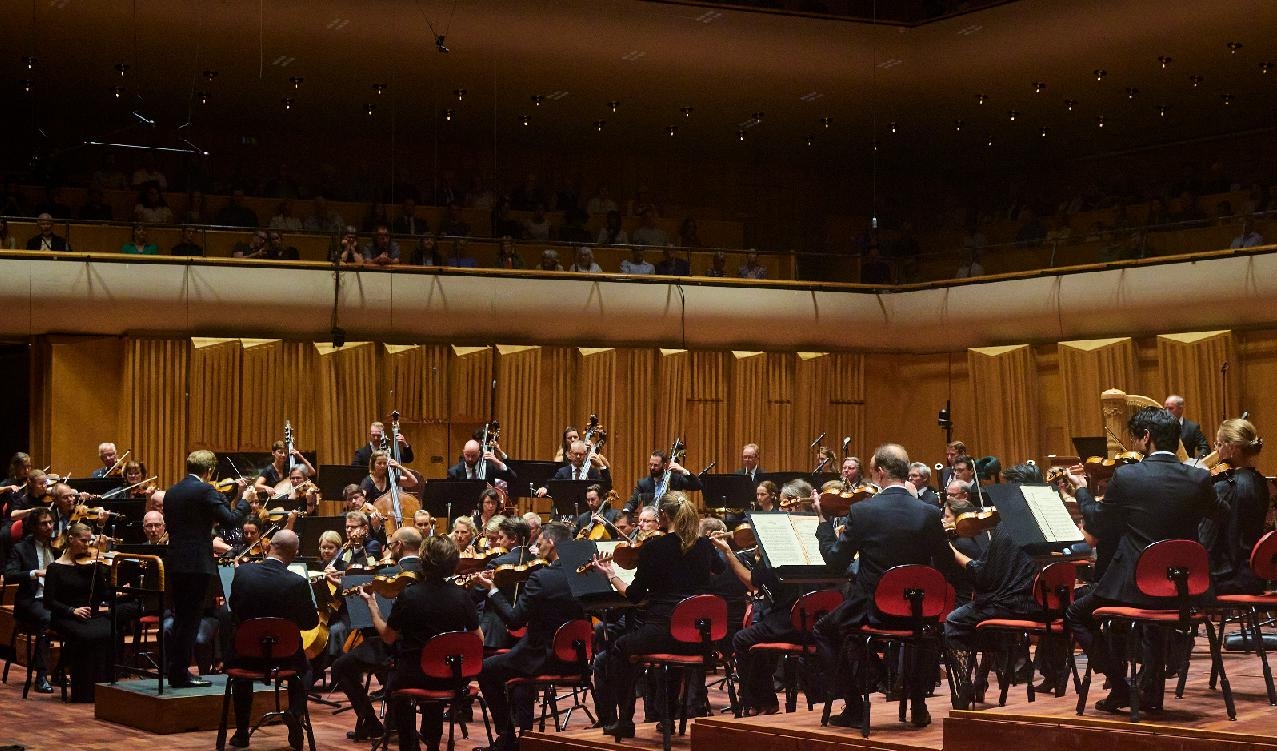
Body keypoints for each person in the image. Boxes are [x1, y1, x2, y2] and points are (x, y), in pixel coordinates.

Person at [1063, 406, 1224, 713]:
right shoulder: (1198, 479)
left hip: (1136, 586)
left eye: (1136, 439)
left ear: (1147, 438)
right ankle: (1149, 690)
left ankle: (1121, 687)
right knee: (1153, 621)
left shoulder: (1127, 476)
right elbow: (1219, 515)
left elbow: (1097, 525)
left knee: (1076, 614)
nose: (1136, 446)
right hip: (1185, 589)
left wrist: (1083, 492)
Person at [811, 444, 950, 728]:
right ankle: (918, 704)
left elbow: (836, 562)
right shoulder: (929, 513)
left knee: (823, 630)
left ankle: (854, 703)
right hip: (918, 608)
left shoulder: (863, 511)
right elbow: (945, 563)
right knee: (917, 634)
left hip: (874, 609)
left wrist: (823, 523)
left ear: (880, 473)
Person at [590, 494, 724, 736]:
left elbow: (634, 596)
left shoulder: (655, 548)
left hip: (662, 631)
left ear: (663, 516)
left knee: (619, 649)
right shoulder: (703, 545)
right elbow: (720, 569)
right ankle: (668, 717)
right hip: (697, 636)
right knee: (672, 659)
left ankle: (626, 721)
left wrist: (610, 574)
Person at [472, 521, 584, 751]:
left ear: (552, 544)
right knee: (517, 674)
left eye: (540, 543)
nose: (536, 548)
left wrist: (491, 589)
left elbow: (515, 620)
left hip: (540, 659)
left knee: (485, 669)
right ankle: (523, 735)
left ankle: (506, 735)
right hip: (575, 659)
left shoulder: (541, 578)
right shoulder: (582, 574)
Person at [361, 533, 478, 751]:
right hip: (451, 676)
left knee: (398, 687)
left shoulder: (409, 595)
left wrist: (372, 607)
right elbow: (477, 639)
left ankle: (409, 744)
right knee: (435, 672)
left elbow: (388, 637)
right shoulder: (462, 596)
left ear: (424, 561)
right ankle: (432, 743)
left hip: (414, 675)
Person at [225, 529, 319, 750]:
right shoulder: (296, 583)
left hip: (245, 656)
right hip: (285, 657)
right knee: (305, 669)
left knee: (241, 678)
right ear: (294, 553)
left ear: (269, 547)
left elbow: (235, 611)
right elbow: (309, 623)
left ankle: (241, 733)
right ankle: (295, 712)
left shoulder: (243, 573)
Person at [333, 526, 425, 741]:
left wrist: (368, 600)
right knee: (379, 657)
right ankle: (392, 717)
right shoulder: (431, 574)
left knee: (341, 666)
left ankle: (370, 721)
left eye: (391, 545)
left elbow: (383, 630)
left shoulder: (387, 575)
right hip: (427, 650)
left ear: (399, 546)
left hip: (396, 646)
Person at [163, 450, 245, 688]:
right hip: (197, 564)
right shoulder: (205, 490)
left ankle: (176, 670)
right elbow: (230, 519)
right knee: (190, 620)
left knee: (181, 619)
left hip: (176, 562)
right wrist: (245, 499)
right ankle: (180, 674)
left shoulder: (172, 492)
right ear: (209, 471)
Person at [44, 522, 138, 701]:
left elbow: (104, 593)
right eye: (83, 541)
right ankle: (84, 691)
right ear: (71, 539)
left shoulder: (91, 567)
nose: (87, 546)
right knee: (87, 636)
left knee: (112, 631)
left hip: (90, 616)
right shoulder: (55, 568)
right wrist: (72, 610)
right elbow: (49, 602)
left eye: (89, 541)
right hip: (64, 617)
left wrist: (120, 592)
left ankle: (105, 688)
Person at [1199, 418, 1270, 594]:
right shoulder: (1261, 482)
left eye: (1219, 444)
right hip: (1256, 575)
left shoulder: (1224, 487)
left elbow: (1206, 540)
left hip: (1227, 577)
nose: (1216, 450)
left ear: (1232, 448)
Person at [4, 506, 57, 693]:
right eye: (44, 524)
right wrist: (35, 573)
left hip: (54, 600)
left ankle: (59, 670)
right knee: (47, 619)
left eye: (51, 522)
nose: (50, 527)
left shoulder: (58, 546)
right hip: (30, 601)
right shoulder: (21, 548)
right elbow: (9, 575)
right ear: (34, 526)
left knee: (79, 617)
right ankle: (41, 676)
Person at [623, 449, 702, 513]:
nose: (652, 468)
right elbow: (632, 502)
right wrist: (625, 511)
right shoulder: (643, 483)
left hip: (672, 520)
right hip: (651, 522)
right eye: (650, 464)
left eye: (656, 465)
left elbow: (697, 485)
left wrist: (683, 470)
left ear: (664, 465)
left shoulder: (676, 479)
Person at [536, 440, 611, 496]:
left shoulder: (592, 472)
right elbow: (552, 484)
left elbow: (607, 487)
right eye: (576, 454)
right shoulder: (563, 472)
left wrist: (602, 466)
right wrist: (545, 488)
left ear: (585, 455)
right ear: (570, 454)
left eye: (581, 454)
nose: (578, 457)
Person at [447, 439, 518, 483]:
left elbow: (513, 478)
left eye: (473, 455)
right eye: (467, 455)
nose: (470, 459)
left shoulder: (490, 467)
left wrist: (498, 462)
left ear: (479, 453)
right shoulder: (453, 472)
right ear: (463, 452)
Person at [1163, 394, 1211, 460]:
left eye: (1170, 408)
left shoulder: (1192, 428)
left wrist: (1195, 462)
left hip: (1186, 467)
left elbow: (1205, 447)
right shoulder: (1161, 426)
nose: (1167, 412)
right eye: (1165, 408)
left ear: (1180, 409)